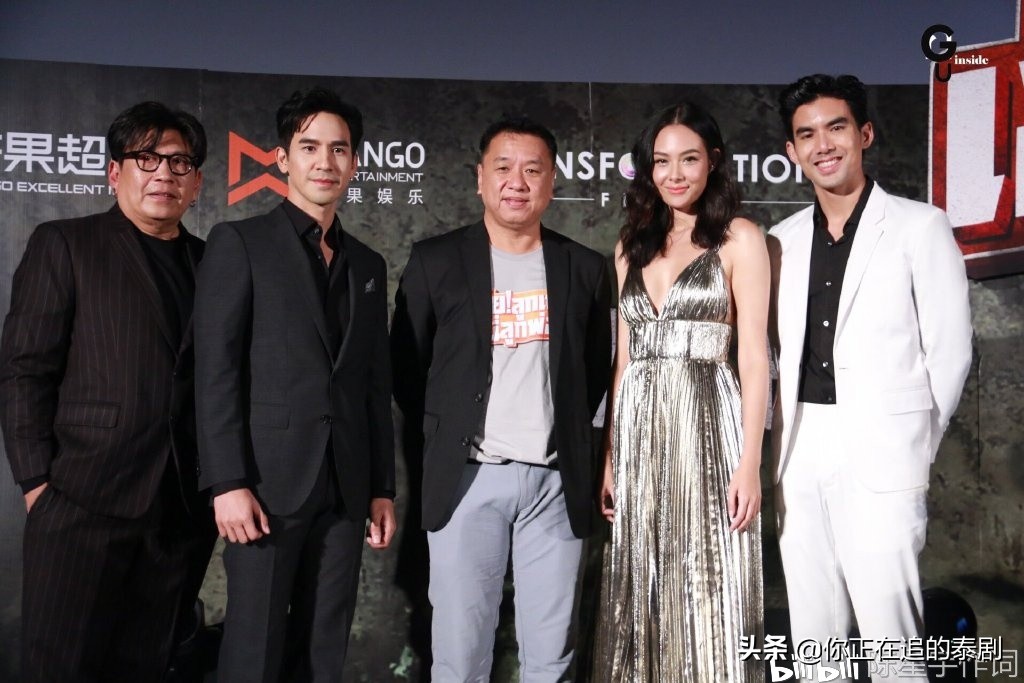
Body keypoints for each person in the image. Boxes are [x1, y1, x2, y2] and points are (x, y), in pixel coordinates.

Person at [0, 101, 215, 682]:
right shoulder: (66, 243)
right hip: (81, 502)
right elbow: (24, 368)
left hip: (179, 512)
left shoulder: (214, 263)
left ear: (197, 183)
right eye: (147, 158)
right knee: (61, 667)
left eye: (179, 162)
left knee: (148, 667)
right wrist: (37, 485)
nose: (163, 173)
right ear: (115, 172)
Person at [390, 117, 611, 681]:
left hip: (555, 485)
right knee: (461, 653)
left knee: (551, 655)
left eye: (533, 170)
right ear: (479, 178)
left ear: (552, 180)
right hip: (467, 479)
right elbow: (408, 369)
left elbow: (594, 373)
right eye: (504, 168)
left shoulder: (585, 268)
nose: (518, 181)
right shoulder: (436, 260)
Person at [769, 74, 972, 681]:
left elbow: (951, 352)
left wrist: (915, 443)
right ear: (792, 151)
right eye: (807, 134)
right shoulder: (780, 241)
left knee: (892, 638)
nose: (823, 145)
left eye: (836, 128)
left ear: (864, 134)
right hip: (799, 448)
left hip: (885, 448)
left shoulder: (919, 225)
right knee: (814, 637)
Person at [194, 87, 396, 682]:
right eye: (309, 147)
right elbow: (216, 371)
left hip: (345, 487)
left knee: (323, 650)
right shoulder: (241, 243)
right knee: (253, 647)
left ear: (354, 162)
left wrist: (381, 487)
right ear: (282, 159)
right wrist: (227, 481)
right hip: (264, 487)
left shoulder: (368, 264)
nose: (324, 162)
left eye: (339, 149)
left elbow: (372, 384)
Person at [594, 102, 768, 683]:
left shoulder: (740, 239)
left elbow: (753, 356)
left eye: (688, 159)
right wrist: (611, 456)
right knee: (642, 577)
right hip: (639, 430)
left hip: (709, 428)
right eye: (661, 161)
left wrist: (750, 462)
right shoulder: (631, 245)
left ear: (712, 161)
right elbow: (623, 360)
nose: (674, 174)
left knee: (710, 579)